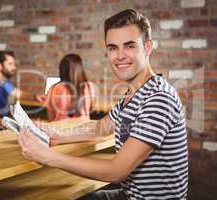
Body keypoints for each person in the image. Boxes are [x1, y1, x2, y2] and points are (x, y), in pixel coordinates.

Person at [19, 9, 188, 200]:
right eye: (113, 48)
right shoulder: (134, 93)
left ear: (148, 47)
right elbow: (100, 127)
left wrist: (47, 156)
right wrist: (55, 134)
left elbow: (116, 171)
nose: (119, 55)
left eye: (130, 46)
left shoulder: (158, 98)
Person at [37, 54, 94, 121]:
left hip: (61, 129)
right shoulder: (89, 87)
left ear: (62, 70)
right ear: (80, 69)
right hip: (84, 130)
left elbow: (50, 118)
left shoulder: (54, 89)